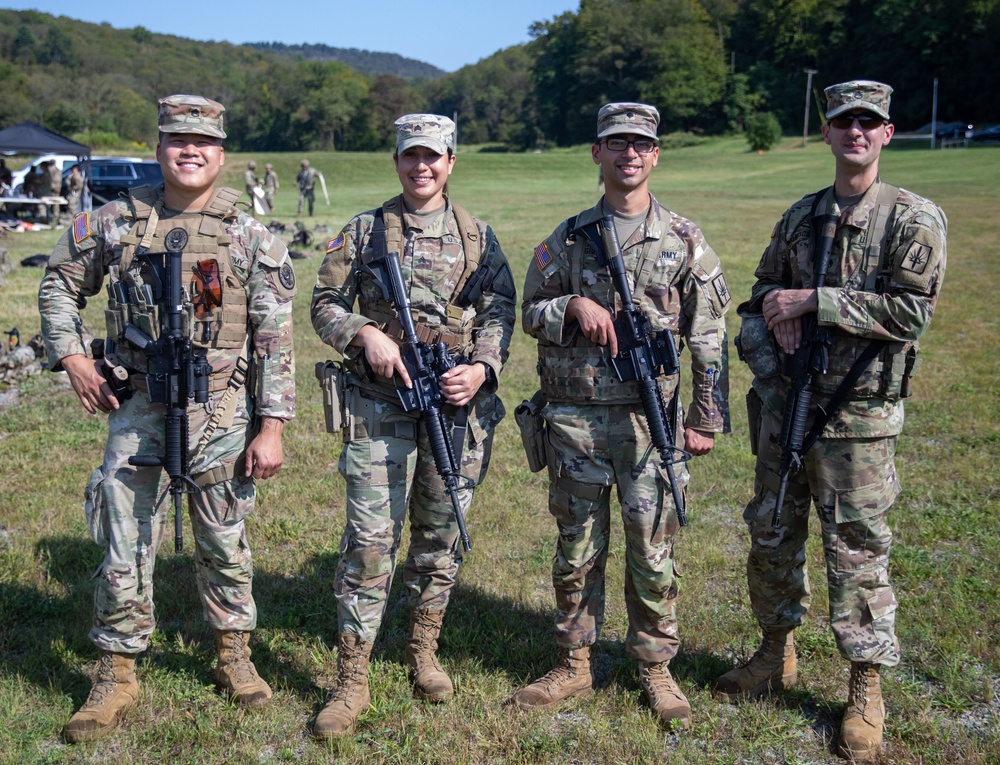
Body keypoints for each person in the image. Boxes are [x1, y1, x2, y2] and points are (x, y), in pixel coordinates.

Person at [38, 94, 298, 743]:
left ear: (221, 151)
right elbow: (59, 283)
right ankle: (115, 668)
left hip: (222, 408)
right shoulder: (114, 221)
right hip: (137, 405)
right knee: (123, 536)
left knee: (224, 538)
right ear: (158, 148)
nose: (190, 150)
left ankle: (235, 653)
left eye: (203, 141)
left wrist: (273, 424)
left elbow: (274, 337)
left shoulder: (250, 233)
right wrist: (72, 356)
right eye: (177, 139)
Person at [713, 81, 947, 762]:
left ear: (887, 132)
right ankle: (774, 651)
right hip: (788, 409)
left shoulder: (912, 217)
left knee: (857, 551)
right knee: (773, 531)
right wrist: (776, 315)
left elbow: (912, 313)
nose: (856, 133)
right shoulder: (801, 216)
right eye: (844, 121)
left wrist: (814, 302)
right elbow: (759, 292)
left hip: (861, 419)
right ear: (827, 131)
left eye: (868, 123)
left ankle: (864, 684)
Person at [516, 103, 731, 729]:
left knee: (653, 549)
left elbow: (709, 333)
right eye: (616, 143)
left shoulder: (684, 239)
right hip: (576, 421)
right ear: (597, 153)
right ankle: (575, 661)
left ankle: (655, 665)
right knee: (576, 547)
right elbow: (528, 310)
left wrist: (705, 416)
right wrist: (572, 306)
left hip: (648, 424)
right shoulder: (569, 237)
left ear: (655, 154)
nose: (629, 154)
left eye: (640, 144)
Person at [309, 113, 515, 739]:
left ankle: (423, 650)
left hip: (454, 408)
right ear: (396, 161)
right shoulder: (365, 231)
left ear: (451, 162)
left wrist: (481, 367)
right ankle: (352, 677)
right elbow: (323, 303)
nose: (421, 167)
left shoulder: (477, 236)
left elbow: (501, 310)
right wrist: (364, 334)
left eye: (433, 157)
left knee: (439, 533)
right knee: (371, 543)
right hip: (379, 405)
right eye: (410, 157)